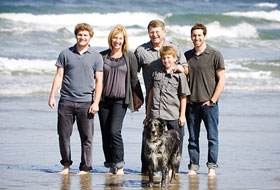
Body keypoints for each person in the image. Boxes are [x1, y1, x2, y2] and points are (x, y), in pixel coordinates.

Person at [48, 23, 103, 175]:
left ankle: (85, 168)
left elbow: (99, 81)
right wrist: (52, 96)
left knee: (87, 138)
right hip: (65, 101)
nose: (82, 37)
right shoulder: (65, 53)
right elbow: (59, 76)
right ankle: (66, 166)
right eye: (80, 34)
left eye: (85, 35)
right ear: (76, 36)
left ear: (90, 37)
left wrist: (96, 102)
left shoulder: (96, 56)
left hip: (86, 102)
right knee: (64, 135)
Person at [135, 19, 188, 174]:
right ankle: (147, 170)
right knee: (148, 137)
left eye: (158, 31)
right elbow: (132, 75)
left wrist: (180, 68)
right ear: (148, 33)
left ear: (164, 32)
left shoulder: (176, 47)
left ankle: (173, 170)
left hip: (172, 105)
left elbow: (186, 70)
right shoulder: (141, 51)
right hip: (154, 103)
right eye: (152, 32)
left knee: (175, 138)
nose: (155, 35)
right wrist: (137, 96)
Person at [99, 25, 144, 175]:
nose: (117, 41)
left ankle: (120, 165)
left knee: (114, 131)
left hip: (121, 100)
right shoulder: (102, 56)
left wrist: (139, 99)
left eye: (120, 38)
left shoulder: (129, 56)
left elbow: (134, 79)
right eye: (115, 37)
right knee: (105, 133)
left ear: (124, 40)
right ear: (111, 39)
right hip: (103, 100)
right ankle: (111, 164)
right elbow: (95, 79)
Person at [184, 23, 226, 176]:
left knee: (212, 138)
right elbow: (183, 78)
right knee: (192, 139)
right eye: (194, 35)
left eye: (199, 35)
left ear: (205, 36)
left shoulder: (215, 54)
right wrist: (186, 99)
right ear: (191, 37)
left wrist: (213, 100)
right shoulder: (187, 56)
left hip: (209, 105)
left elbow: (222, 79)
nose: (197, 38)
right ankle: (193, 167)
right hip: (192, 104)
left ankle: (211, 167)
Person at [146, 46, 190, 175]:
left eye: (169, 58)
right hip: (156, 114)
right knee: (155, 143)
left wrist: (182, 115)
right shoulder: (155, 73)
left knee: (175, 143)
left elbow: (183, 96)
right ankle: (156, 169)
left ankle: (173, 169)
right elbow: (150, 93)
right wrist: (148, 112)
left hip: (173, 114)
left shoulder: (180, 75)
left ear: (175, 59)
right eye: (164, 58)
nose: (166, 60)